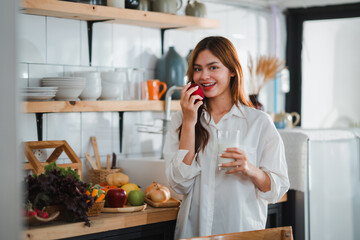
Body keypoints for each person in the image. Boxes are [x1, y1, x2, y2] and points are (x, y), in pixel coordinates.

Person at [163, 36, 290, 239]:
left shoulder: (258, 122)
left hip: (241, 231)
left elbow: (277, 189)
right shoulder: (182, 118)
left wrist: (251, 170)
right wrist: (189, 122)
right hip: (194, 233)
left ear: (232, 70)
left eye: (213, 67)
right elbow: (179, 184)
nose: (204, 76)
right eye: (197, 69)